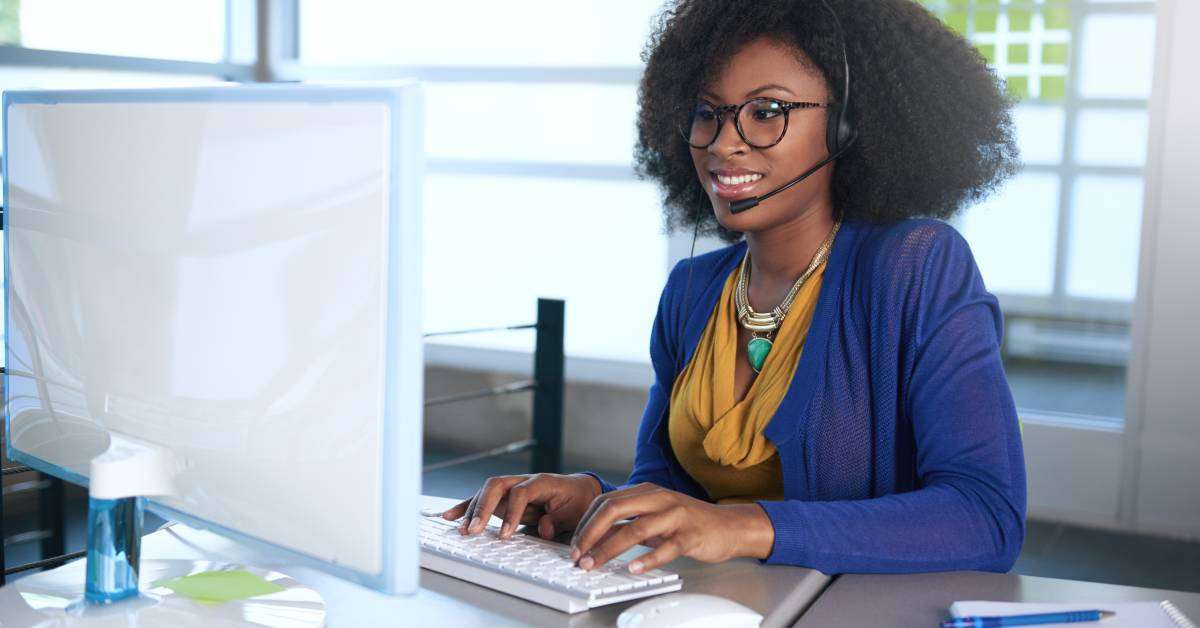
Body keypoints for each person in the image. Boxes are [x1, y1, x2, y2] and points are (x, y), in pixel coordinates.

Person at [441, 0, 1026, 577]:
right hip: (720, 609)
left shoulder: (914, 266)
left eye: (767, 110)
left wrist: (743, 526)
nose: (724, 143)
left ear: (849, 123)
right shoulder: (691, 292)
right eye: (707, 112)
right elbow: (674, 493)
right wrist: (593, 498)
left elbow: (986, 517)